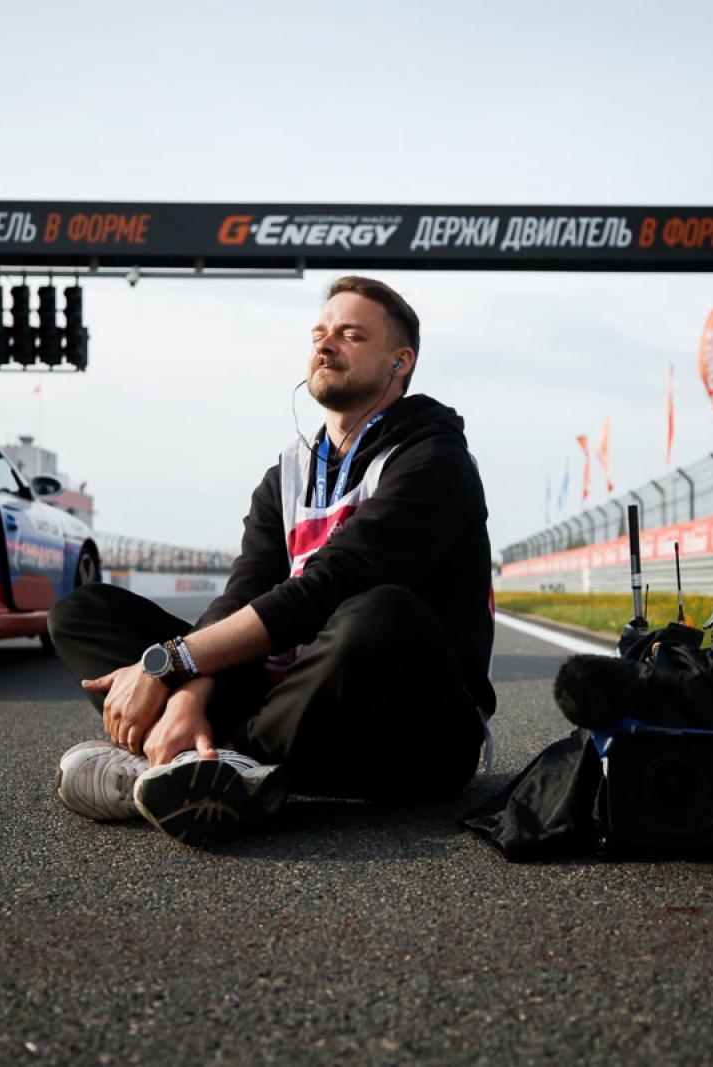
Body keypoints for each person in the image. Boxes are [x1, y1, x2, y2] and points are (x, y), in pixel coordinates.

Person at [47, 276, 495, 848]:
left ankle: (207, 758)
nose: (325, 345)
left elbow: (329, 588)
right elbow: (244, 594)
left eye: (351, 335)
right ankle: (206, 762)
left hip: (408, 732)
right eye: (319, 333)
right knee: (82, 612)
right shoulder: (285, 474)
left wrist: (170, 665)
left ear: (399, 362)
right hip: (295, 715)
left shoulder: (434, 458)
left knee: (380, 615)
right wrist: (187, 688)